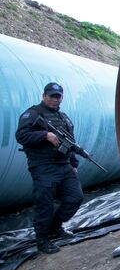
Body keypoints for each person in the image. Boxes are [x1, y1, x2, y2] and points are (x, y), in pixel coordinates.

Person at [15, 82, 83, 254]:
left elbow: (70, 143)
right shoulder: (32, 114)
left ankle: (55, 227)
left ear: (62, 98)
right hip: (43, 166)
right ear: (44, 96)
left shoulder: (64, 118)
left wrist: (74, 164)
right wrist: (45, 135)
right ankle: (42, 240)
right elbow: (21, 136)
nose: (55, 99)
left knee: (75, 197)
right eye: (51, 96)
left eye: (58, 96)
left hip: (64, 165)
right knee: (44, 204)